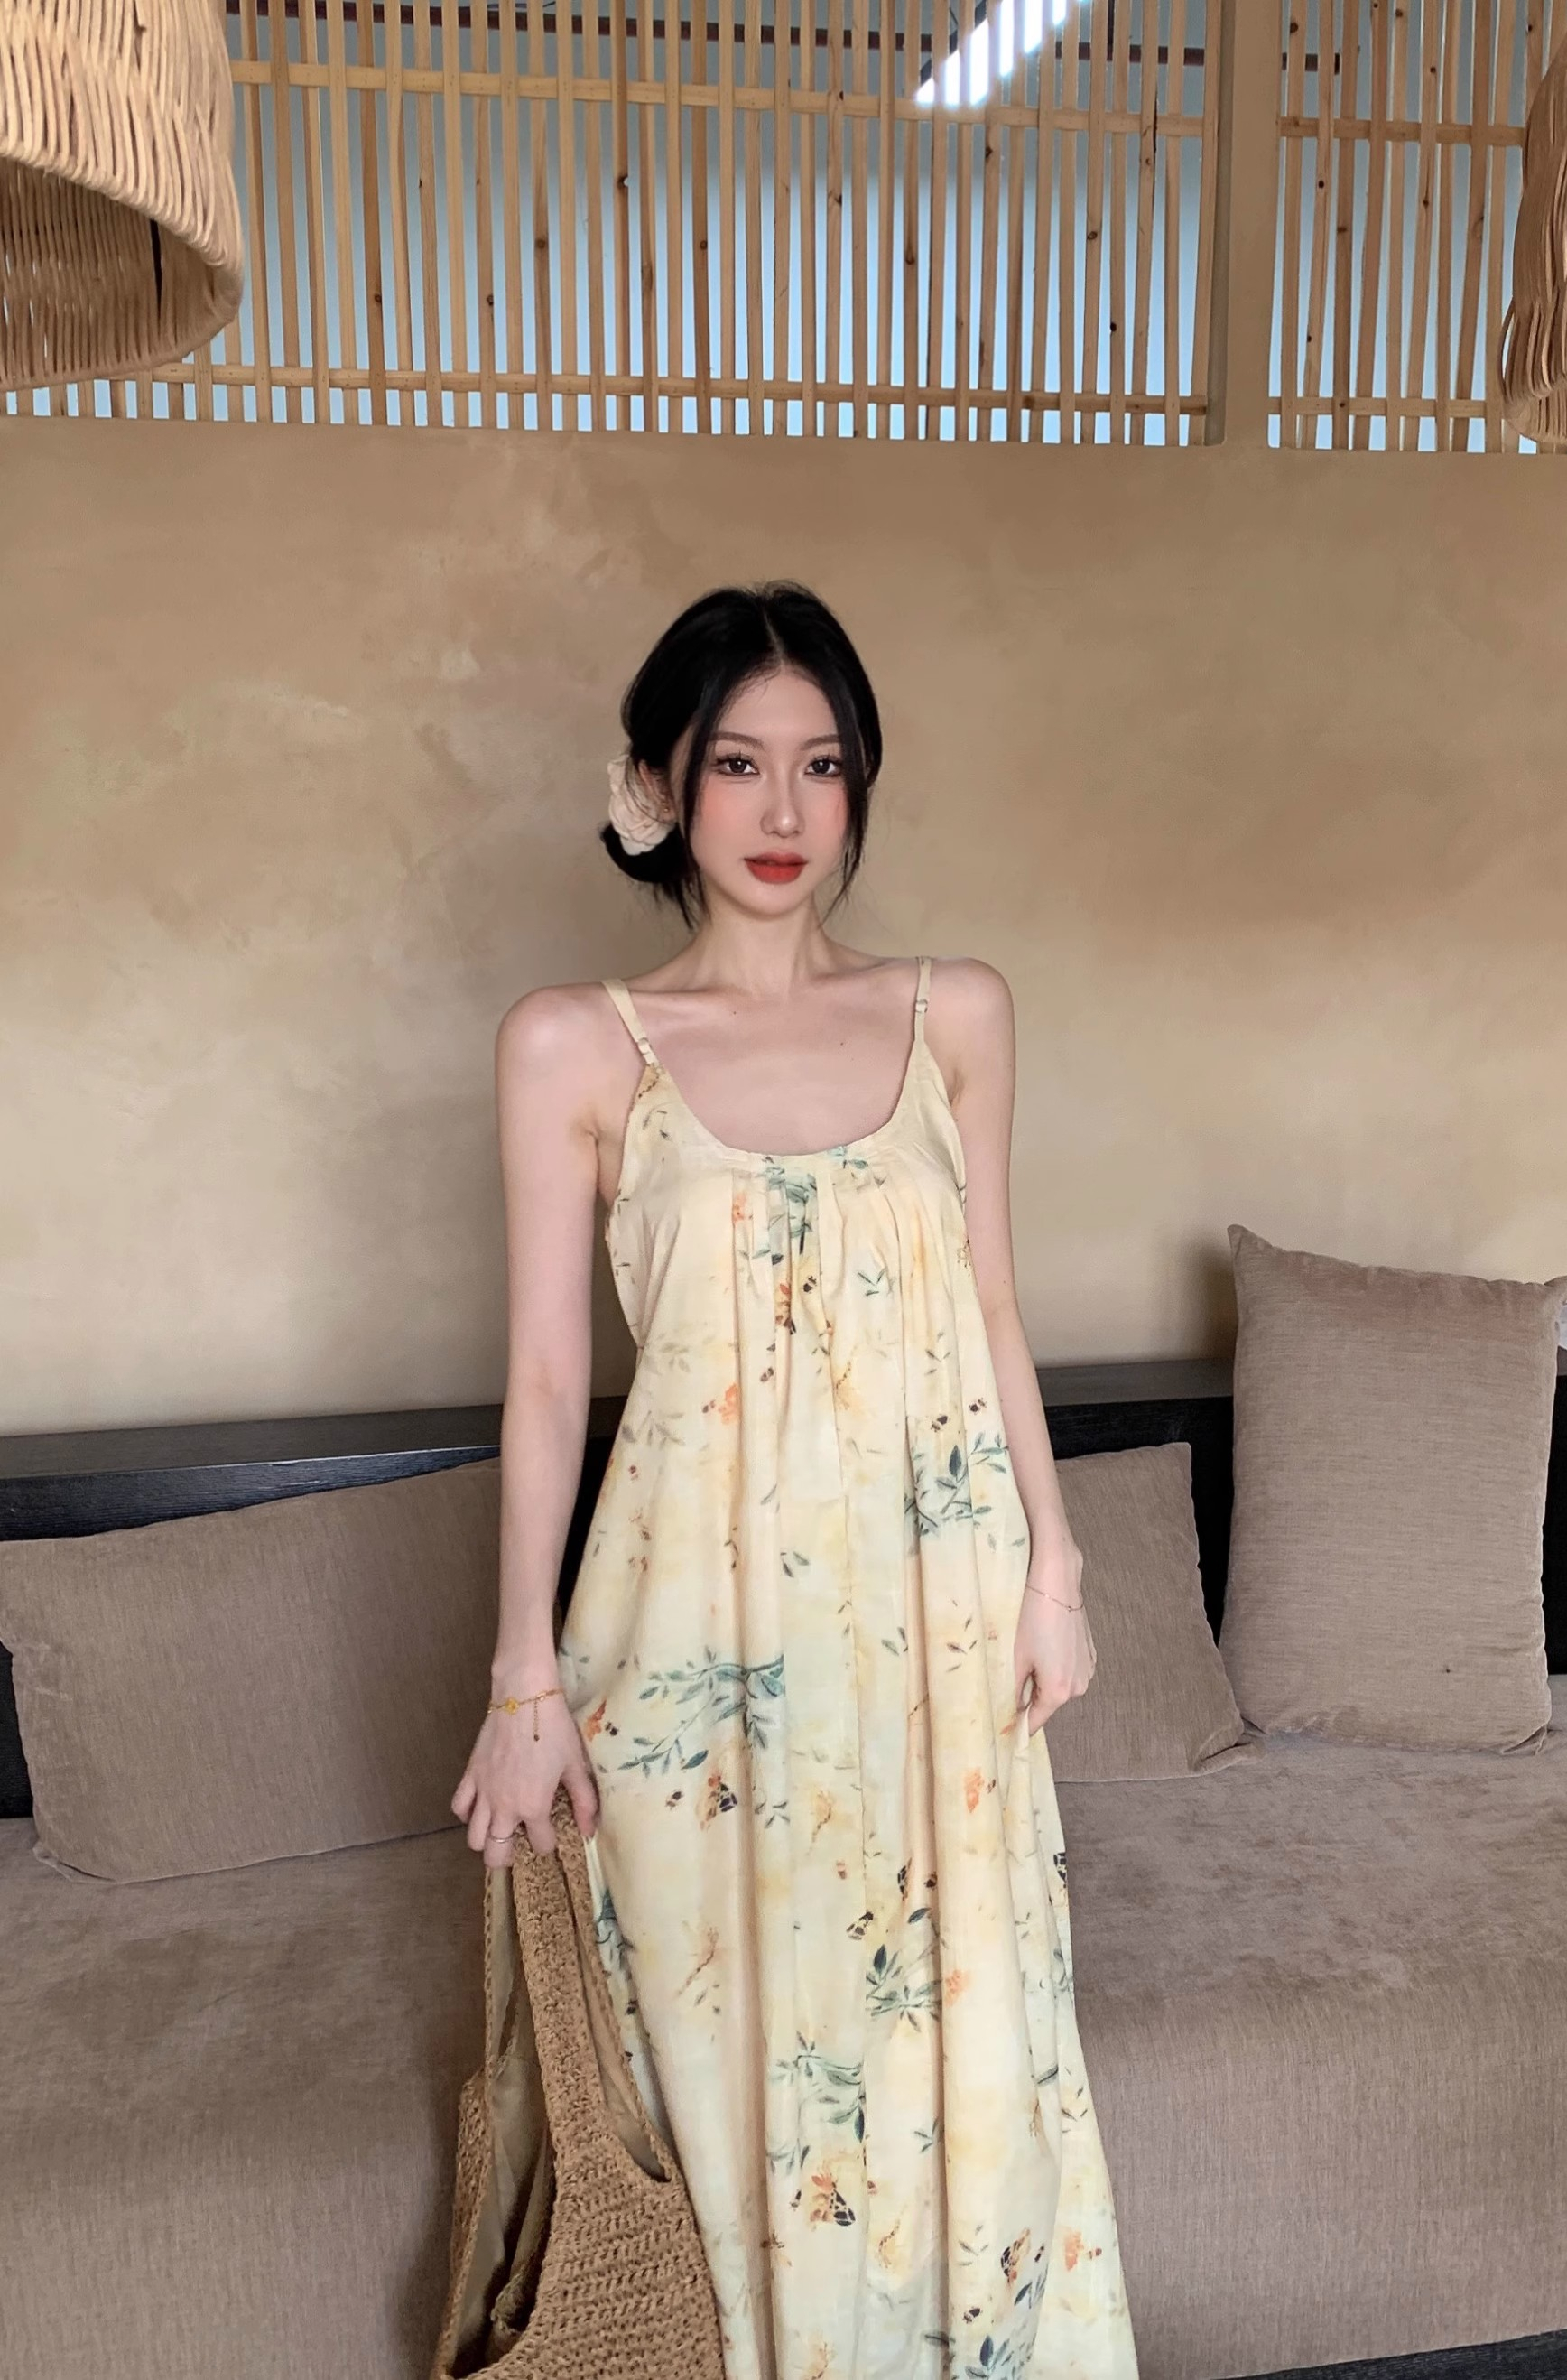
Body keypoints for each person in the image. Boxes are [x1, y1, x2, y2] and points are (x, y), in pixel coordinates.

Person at [451, 581, 1139, 2380]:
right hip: (688, 1654)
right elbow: (546, 1381)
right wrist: (523, 1682)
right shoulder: (572, 1044)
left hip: (933, 1633)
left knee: (959, 2059)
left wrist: (1055, 1572)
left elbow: (992, 1301)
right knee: (719, 2079)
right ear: (658, 785)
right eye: (736, 763)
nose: (781, 811)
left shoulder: (955, 1013)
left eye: (819, 766)